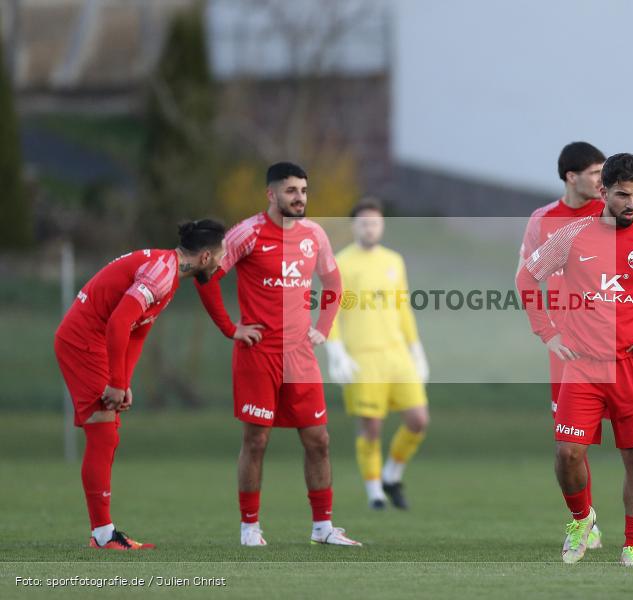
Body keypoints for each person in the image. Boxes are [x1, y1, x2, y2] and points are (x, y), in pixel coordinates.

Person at [516, 153, 633, 566]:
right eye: (623, 194)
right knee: (567, 453)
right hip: (583, 365)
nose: (632, 204)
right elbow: (527, 276)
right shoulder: (573, 235)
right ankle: (581, 519)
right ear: (603, 192)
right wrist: (546, 331)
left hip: (632, 368)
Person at [194, 162, 361, 547]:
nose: (299, 197)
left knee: (319, 440)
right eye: (291, 191)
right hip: (258, 354)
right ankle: (249, 528)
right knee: (256, 440)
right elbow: (206, 278)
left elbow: (334, 281)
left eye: (303, 190)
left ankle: (323, 528)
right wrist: (231, 328)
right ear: (271, 194)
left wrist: (324, 325)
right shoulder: (246, 234)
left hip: (300, 356)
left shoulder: (315, 234)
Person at [55, 219, 227, 550]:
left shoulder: (169, 273)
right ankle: (103, 536)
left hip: (95, 342)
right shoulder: (162, 273)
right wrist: (115, 382)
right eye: (220, 256)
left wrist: (123, 381)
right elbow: (119, 322)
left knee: (108, 433)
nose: (221, 264)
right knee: (104, 433)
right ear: (205, 257)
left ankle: (104, 533)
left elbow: (137, 331)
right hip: (83, 341)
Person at [325, 198, 430, 510]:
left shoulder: (394, 261)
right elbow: (330, 309)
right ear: (354, 226)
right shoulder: (340, 262)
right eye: (363, 222)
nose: (370, 227)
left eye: (375, 222)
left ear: (382, 225)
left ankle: (391, 474)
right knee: (371, 427)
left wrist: (416, 348)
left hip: (397, 355)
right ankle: (375, 493)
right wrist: (336, 352)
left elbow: (403, 307)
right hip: (363, 356)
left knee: (418, 420)